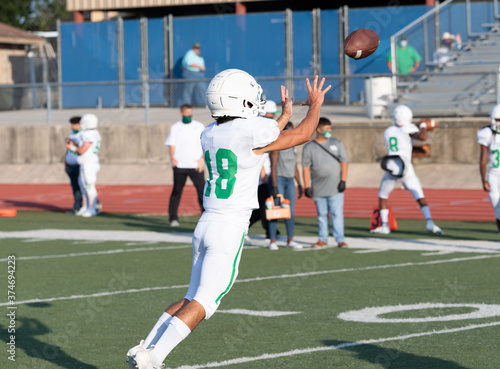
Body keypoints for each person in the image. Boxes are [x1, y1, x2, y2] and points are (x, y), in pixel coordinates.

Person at [126, 69, 331, 369]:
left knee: (190, 297)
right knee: (206, 302)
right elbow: (302, 135)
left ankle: (146, 346)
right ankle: (153, 358)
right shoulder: (251, 132)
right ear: (243, 102)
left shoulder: (209, 132)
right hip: (229, 226)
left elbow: (258, 140)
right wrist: (315, 104)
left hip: (207, 222)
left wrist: (285, 115)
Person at [370, 105, 443, 235]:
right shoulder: (409, 129)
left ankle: (385, 225)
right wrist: (423, 126)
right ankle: (429, 222)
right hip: (406, 168)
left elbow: (403, 135)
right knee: (420, 196)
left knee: (383, 196)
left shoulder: (389, 131)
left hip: (392, 167)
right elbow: (422, 137)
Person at [302, 117, 348, 248]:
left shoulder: (337, 143)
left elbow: (344, 162)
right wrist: (307, 186)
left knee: (337, 213)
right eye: (327, 129)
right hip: (318, 187)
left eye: (330, 128)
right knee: (322, 215)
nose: (329, 131)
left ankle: (340, 239)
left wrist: (343, 180)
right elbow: (306, 167)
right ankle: (322, 239)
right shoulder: (309, 147)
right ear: (319, 129)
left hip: (335, 186)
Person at [165, 104, 205, 227]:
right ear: (182, 113)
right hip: (180, 165)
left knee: (202, 191)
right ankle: (173, 218)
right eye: (186, 114)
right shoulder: (176, 128)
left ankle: (206, 217)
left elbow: (204, 143)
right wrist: (173, 159)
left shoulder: (199, 126)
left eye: (190, 114)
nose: (189, 116)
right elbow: (172, 144)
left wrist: (202, 159)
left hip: (195, 166)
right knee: (177, 191)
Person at [268, 121, 304, 250]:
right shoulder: (277, 145)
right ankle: (272, 240)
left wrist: (299, 184)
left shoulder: (293, 146)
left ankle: (290, 239)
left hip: (290, 180)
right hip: (279, 179)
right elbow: (273, 166)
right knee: (276, 210)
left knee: (290, 211)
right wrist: (274, 185)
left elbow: (294, 166)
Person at [65, 113, 101, 217]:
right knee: (83, 185)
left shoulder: (89, 134)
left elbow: (82, 150)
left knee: (89, 185)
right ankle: (86, 207)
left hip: (89, 163)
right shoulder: (90, 133)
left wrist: (72, 148)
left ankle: (92, 209)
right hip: (85, 162)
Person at [477, 104, 500, 237]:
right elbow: (483, 159)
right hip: (493, 174)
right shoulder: (486, 133)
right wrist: (483, 179)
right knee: (497, 207)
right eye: (497, 119)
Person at [64, 116, 83, 214]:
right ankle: (77, 206)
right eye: (72, 124)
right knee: (75, 186)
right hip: (71, 164)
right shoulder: (72, 134)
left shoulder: (82, 135)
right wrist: (66, 163)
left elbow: (83, 149)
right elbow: (68, 150)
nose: (73, 126)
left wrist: (74, 144)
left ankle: (80, 206)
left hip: (78, 164)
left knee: (82, 187)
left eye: (75, 124)